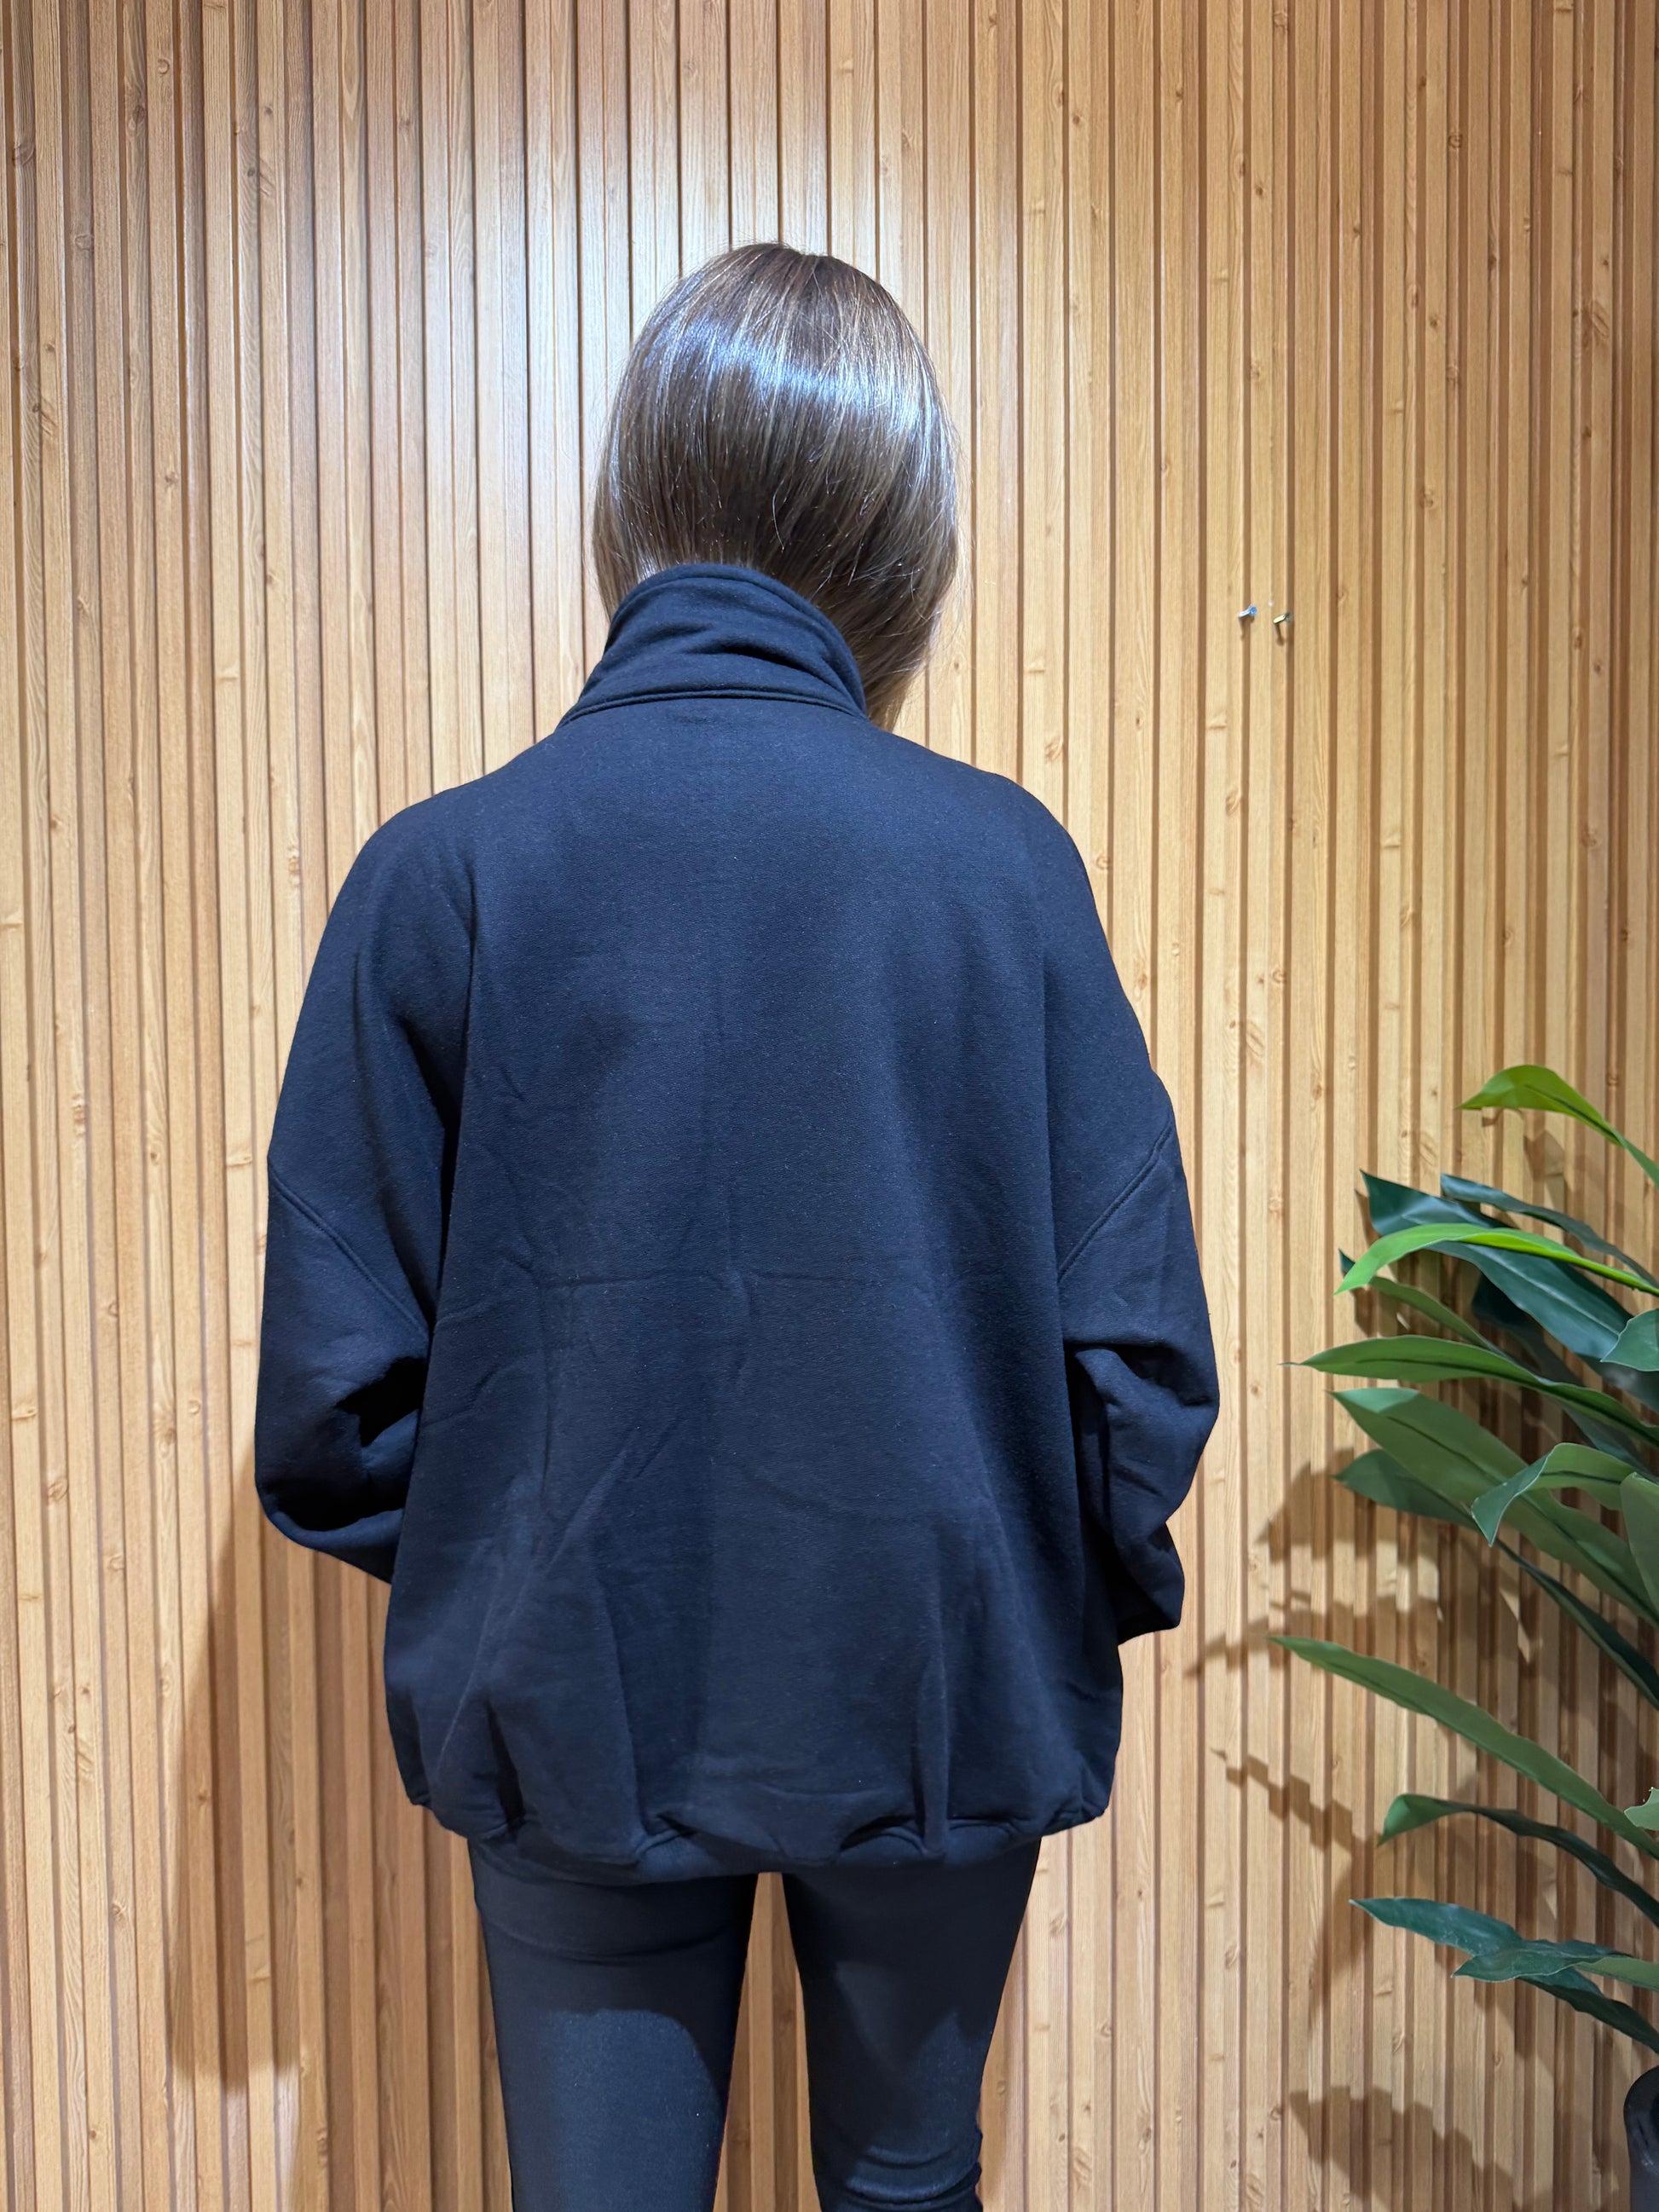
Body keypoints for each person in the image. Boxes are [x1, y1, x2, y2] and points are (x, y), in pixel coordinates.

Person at [252, 242, 1220, 2212]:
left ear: (631, 497)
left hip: (577, 1689)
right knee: (906, 2186)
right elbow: (1135, 1358)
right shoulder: (1003, 871)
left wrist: (526, 1557)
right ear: (903, 539)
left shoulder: (442, 875)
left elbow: (336, 1394)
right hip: (937, 1677)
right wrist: (1014, 1580)